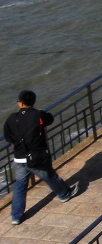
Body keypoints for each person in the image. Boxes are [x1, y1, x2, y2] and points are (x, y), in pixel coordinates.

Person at [5, 90, 78, 225]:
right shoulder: (38, 114)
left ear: (20, 103)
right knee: (50, 176)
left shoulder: (11, 118)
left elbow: (7, 136)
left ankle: (16, 216)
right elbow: (50, 119)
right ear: (32, 102)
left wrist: (17, 143)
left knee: (20, 186)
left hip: (19, 158)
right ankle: (64, 194)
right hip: (35, 157)